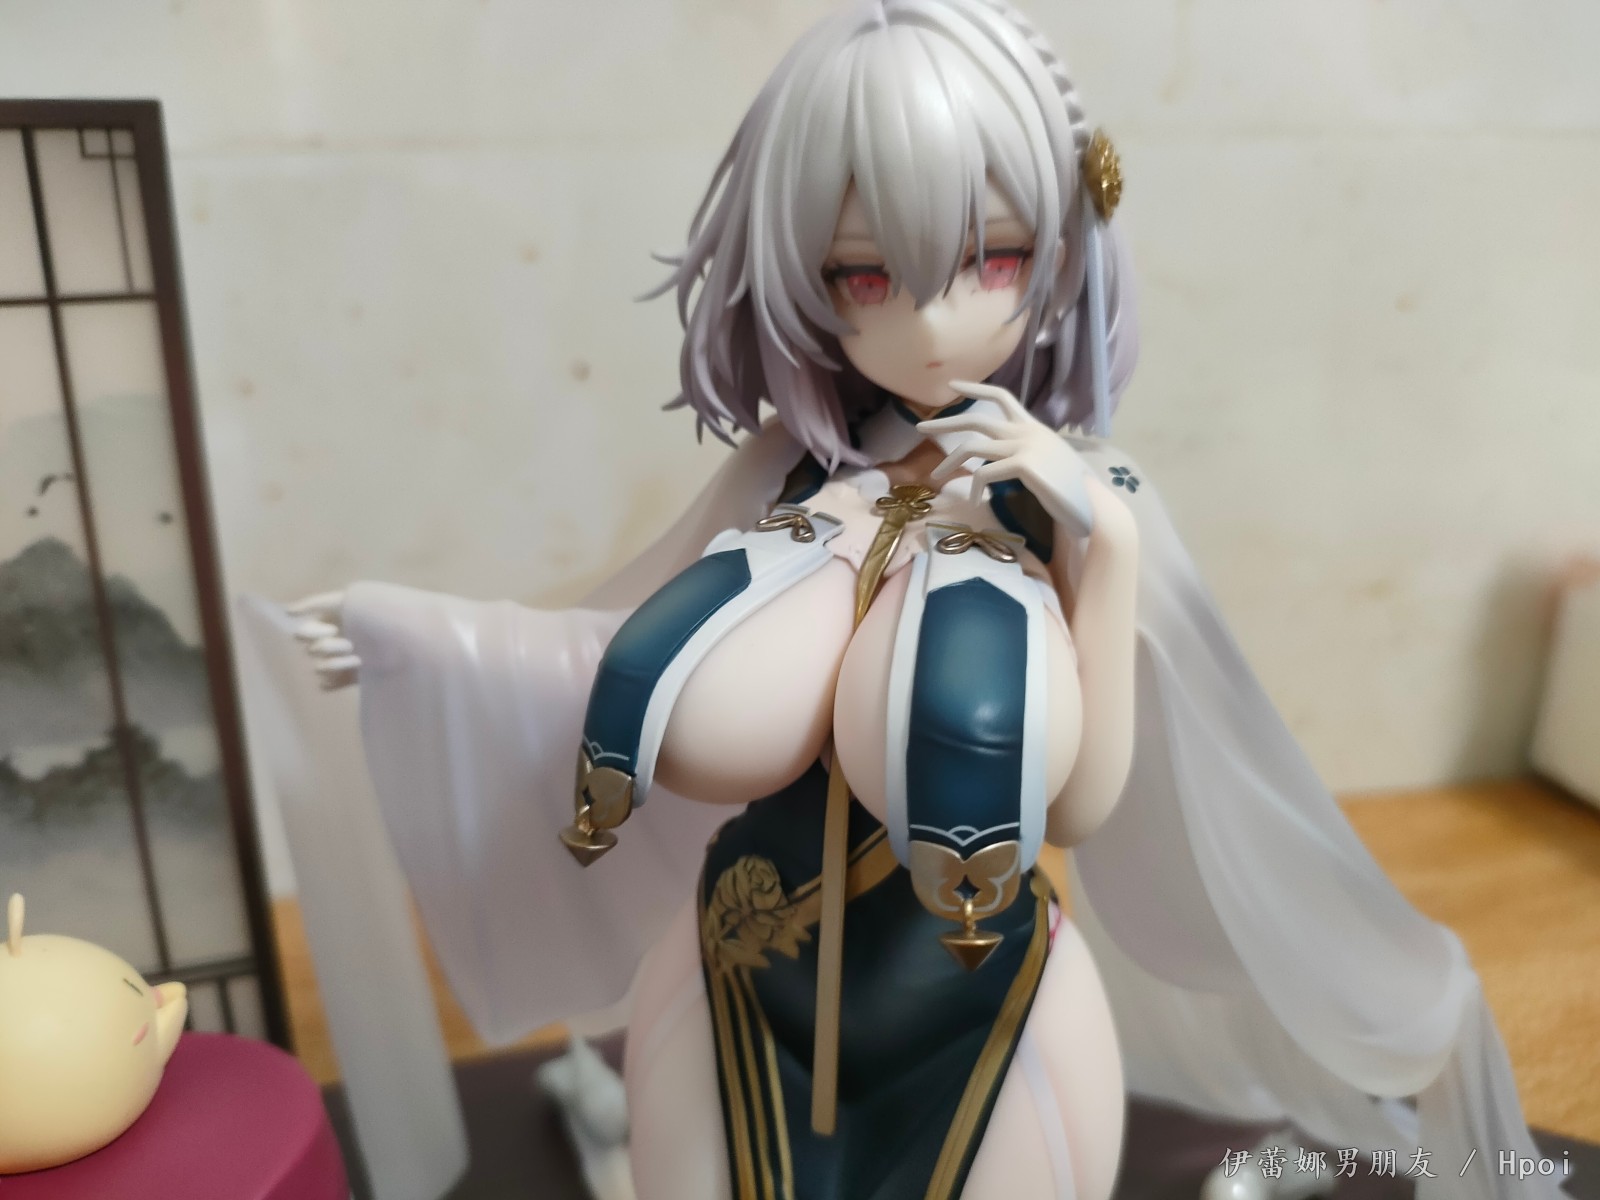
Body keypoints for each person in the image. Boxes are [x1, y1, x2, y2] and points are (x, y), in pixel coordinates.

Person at [291, 3, 1563, 1198]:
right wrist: (420, 638)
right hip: (737, 975)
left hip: (983, 998)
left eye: (990, 258)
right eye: (864, 275)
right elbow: (612, 645)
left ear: (1059, 247)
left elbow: (1082, 804)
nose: (933, 321)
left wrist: (1108, 550)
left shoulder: (1080, 500)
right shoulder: (787, 468)